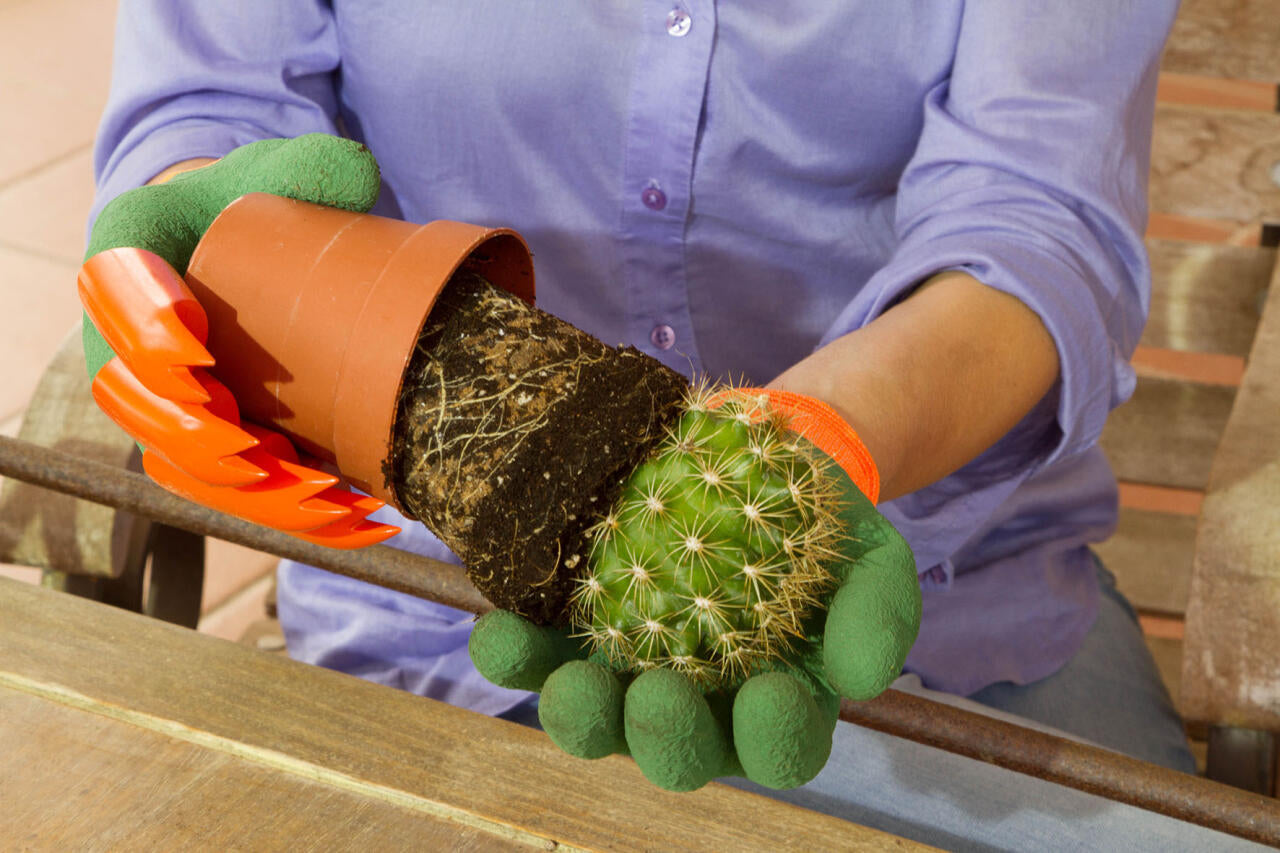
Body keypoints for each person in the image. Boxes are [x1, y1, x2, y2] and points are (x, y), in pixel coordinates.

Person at [83, 3, 1248, 848]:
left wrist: (827, 432)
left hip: (940, 594)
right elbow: (205, 107)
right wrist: (197, 242)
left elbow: (1036, 215)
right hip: (425, 603)